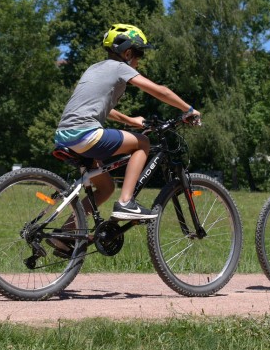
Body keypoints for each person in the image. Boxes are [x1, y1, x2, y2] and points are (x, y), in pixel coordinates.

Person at [52, 23, 201, 222]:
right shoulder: (119, 68)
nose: (139, 61)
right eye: (139, 55)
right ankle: (126, 202)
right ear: (128, 53)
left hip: (64, 135)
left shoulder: (94, 69)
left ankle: (63, 236)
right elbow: (160, 91)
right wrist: (188, 110)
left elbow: (103, 108)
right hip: (85, 134)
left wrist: (130, 120)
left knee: (106, 188)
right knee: (143, 143)